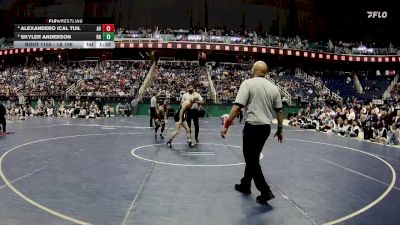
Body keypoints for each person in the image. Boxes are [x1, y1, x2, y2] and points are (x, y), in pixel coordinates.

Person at [221, 61, 283, 205]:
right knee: (253, 157)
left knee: (251, 160)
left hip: (252, 127)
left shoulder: (248, 83)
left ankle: (265, 190)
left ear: (254, 70)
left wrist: (226, 125)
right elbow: (279, 112)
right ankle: (245, 184)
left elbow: (237, 108)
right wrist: (280, 130)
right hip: (266, 128)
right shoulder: (274, 88)